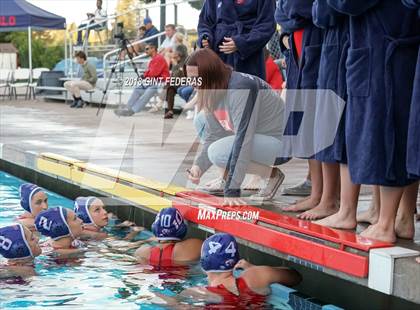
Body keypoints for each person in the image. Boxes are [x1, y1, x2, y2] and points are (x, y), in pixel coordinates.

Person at [326, 0, 420, 243]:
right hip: (389, 50)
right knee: (397, 134)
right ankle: (400, 218)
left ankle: (386, 223)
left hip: (383, 54)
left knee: (387, 138)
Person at [185, 48, 288, 204]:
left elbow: (244, 138)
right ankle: (225, 177)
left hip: (281, 143)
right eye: (189, 78)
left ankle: (272, 174)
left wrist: (232, 190)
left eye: (195, 78)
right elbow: (214, 135)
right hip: (258, 138)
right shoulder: (212, 88)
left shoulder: (240, 88)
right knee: (201, 120)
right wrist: (199, 166)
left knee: (217, 152)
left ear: (210, 73)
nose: (192, 83)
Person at [276, 0, 327, 219]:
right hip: (297, 53)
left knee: (320, 124)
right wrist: (286, 33)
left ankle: (325, 196)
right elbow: (280, 14)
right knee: (305, 127)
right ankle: (316, 192)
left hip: (315, 47)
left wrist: (292, 19)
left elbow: (299, 8)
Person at [174, 233, 301, 307]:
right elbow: (295, 276)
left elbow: (169, 304)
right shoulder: (256, 276)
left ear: (203, 263)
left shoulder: (196, 293)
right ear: (235, 260)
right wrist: (255, 268)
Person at [198, 0, 275, 80]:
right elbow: (205, 22)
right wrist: (205, 37)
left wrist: (242, 43)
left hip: (249, 58)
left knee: (248, 88)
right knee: (219, 89)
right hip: (219, 55)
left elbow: (267, 25)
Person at [134, 207, 202, 267]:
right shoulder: (195, 245)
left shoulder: (141, 252)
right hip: (178, 278)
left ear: (155, 229)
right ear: (182, 229)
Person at [114, 44, 170, 116]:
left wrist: (144, 76)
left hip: (162, 82)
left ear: (153, 49)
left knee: (149, 91)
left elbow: (154, 73)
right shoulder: (153, 59)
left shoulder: (159, 58)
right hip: (153, 81)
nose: (145, 51)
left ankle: (133, 110)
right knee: (138, 89)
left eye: (147, 49)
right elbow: (149, 72)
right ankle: (127, 108)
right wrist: (143, 76)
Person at [74, 196, 144, 241]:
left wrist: (118, 226)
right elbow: (122, 246)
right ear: (86, 217)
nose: (105, 212)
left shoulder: (81, 229)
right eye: (97, 210)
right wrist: (134, 233)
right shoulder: (98, 235)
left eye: (103, 208)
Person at [163, 46, 188, 119]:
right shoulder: (176, 62)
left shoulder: (186, 61)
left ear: (179, 53)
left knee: (170, 86)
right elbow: (173, 76)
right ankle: (170, 111)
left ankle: (161, 100)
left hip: (185, 83)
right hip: (176, 83)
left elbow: (182, 75)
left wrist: (176, 65)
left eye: (175, 51)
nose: (173, 53)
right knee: (170, 89)